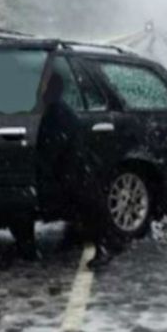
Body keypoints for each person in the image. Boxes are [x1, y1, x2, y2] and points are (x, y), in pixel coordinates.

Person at [36, 70, 118, 269]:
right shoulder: (58, 109)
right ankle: (101, 244)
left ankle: (104, 247)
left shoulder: (57, 113)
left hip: (73, 172)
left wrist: (41, 170)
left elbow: (52, 148)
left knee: (88, 210)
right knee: (87, 210)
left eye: (43, 86)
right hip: (77, 170)